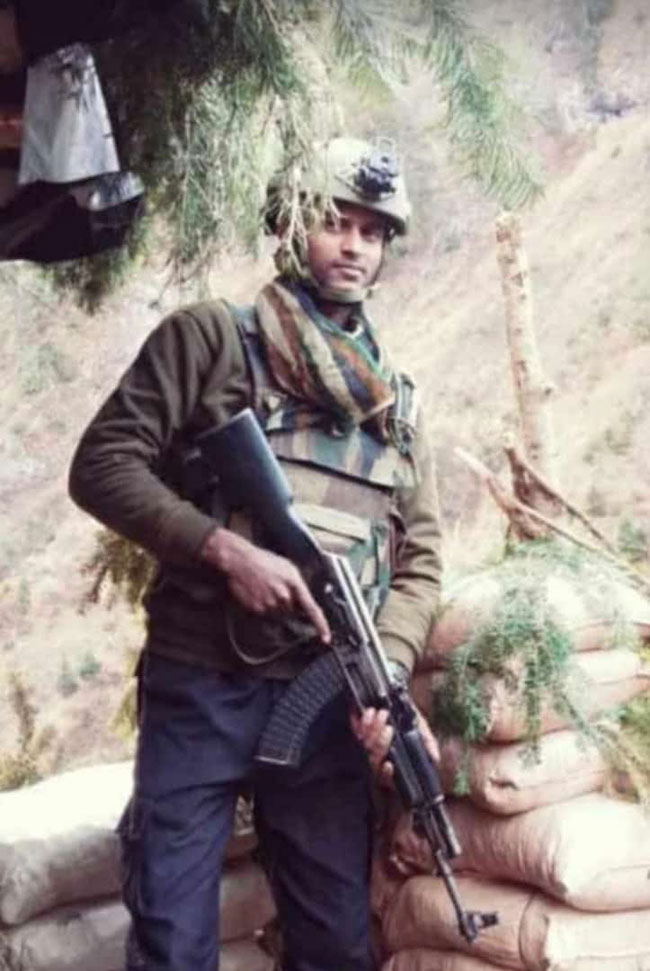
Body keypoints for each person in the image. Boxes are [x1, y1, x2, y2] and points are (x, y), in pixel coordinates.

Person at [68, 136, 443, 971]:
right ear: (289, 227)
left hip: (325, 701)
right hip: (200, 682)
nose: (354, 246)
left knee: (337, 942)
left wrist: (388, 667)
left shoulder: (397, 405)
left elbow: (420, 556)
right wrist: (224, 551)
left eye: (373, 232)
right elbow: (101, 465)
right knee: (172, 937)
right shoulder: (210, 339)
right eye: (335, 222)